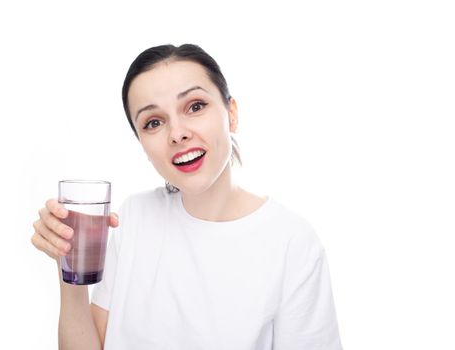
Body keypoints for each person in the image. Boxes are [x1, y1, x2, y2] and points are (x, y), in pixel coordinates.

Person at [31, 43, 342, 350]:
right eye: (153, 122)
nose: (177, 133)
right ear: (142, 143)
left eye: (195, 106)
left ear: (231, 114)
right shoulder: (134, 216)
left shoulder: (291, 242)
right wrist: (67, 262)